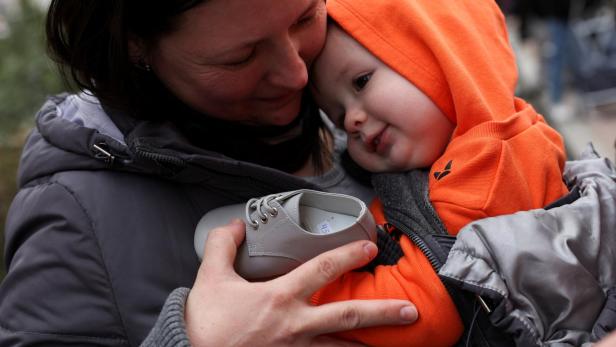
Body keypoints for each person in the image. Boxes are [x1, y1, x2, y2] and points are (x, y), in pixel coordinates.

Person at [0, 0, 419, 345]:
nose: (297, 73)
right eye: (242, 57)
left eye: (305, 18)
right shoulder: (73, 216)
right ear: (136, 47)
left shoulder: (384, 98)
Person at [307, 0, 570, 345]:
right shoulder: (456, 158)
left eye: (361, 82)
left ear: (440, 55)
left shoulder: (487, 167)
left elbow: (422, 312)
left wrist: (311, 294)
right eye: (338, 116)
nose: (352, 121)